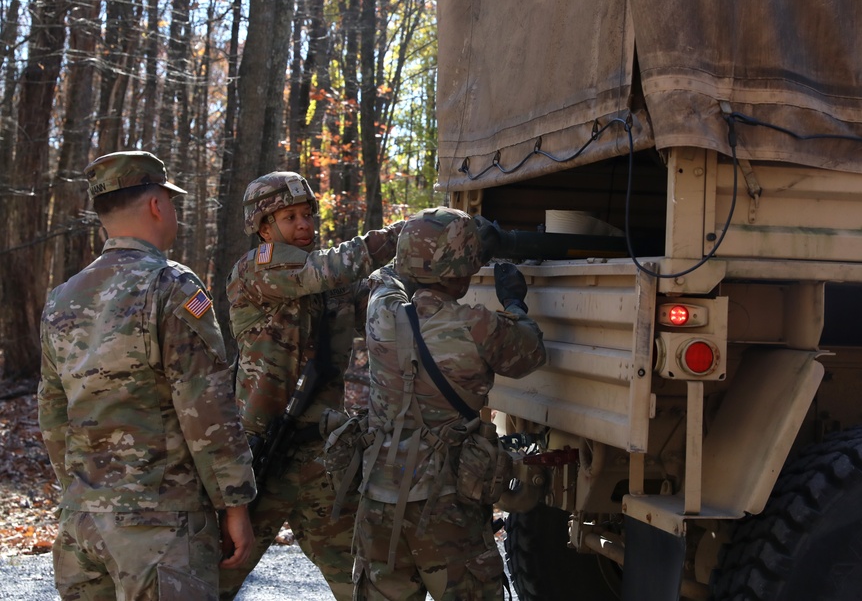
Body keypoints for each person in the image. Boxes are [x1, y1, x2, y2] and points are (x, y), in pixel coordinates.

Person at [38, 151, 257, 601]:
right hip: (160, 527)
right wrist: (234, 503)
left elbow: (53, 414)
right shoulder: (173, 287)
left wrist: (81, 492)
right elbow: (206, 407)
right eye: (172, 202)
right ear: (157, 205)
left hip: (81, 526)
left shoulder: (61, 299)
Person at [219, 171, 403, 600]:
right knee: (215, 577)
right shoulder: (255, 270)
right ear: (264, 228)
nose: (304, 225)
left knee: (365, 582)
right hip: (259, 460)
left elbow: (381, 309)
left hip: (322, 459)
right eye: (289, 217)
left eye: (307, 215)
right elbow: (324, 270)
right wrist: (399, 235)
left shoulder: (331, 285)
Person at [354, 207, 547, 600]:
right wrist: (514, 303)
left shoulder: (381, 310)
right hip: (447, 503)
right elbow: (530, 352)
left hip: (378, 497)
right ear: (459, 271)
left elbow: (386, 276)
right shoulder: (476, 325)